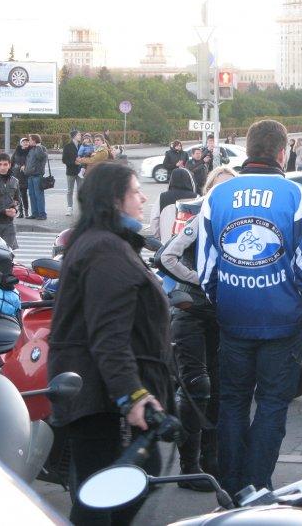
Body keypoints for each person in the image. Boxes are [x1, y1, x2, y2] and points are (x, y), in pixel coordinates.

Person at [195, 119, 302, 496]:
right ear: (283, 153)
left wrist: (224, 301)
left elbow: (206, 268)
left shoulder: (217, 196)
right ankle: (256, 486)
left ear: (248, 149)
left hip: (234, 319)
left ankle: (231, 486)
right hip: (283, 322)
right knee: (271, 405)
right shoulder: (296, 195)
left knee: (233, 403)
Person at [47, 162, 173, 525]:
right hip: (97, 391)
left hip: (95, 387)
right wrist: (132, 395)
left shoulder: (103, 242)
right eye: (136, 191)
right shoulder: (105, 250)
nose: (143, 198)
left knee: (111, 487)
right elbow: (108, 335)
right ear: (115, 200)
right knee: (106, 493)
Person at [159, 165, 238, 490]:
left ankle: (211, 461)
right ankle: (189, 466)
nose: (224, 195)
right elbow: (167, 257)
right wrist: (201, 281)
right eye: (218, 188)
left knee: (219, 387)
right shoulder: (199, 219)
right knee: (197, 387)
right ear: (208, 192)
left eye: (230, 189)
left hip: (221, 313)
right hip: (190, 311)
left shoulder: (239, 222)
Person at [150, 168, 197, 241]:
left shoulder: (162, 197)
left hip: (166, 242)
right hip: (190, 242)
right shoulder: (196, 198)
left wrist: (158, 237)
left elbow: (154, 219)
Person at [24, 133, 47, 220]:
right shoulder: (32, 149)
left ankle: (42, 214)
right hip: (30, 175)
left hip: (37, 175)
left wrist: (38, 146)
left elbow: (40, 157)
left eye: (30, 140)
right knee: (32, 195)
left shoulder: (41, 148)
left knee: (39, 195)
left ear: (34, 140)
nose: (29, 141)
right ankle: (35, 213)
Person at [62, 129, 82, 216]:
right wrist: (74, 162)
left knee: (80, 190)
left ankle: (81, 208)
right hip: (70, 171)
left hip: (81, 172)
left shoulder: (81, 145)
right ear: (74, 136)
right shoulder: (67, 146)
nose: (80, 136)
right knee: (70, 190)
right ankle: (69, 208)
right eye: (79, 135)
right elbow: (64, 160)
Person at [11, 137, 30, 218]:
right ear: (20, 143)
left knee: (24, 194)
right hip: (16, 174)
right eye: (24, 142)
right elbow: (11, 162)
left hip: (25, 175)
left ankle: (26, 212)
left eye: (27, 142)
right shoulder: (17, 151)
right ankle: (20, 212)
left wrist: (25, 165)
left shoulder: (30, 151)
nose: (25, 143)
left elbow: (31, 161)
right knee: (17, 194)